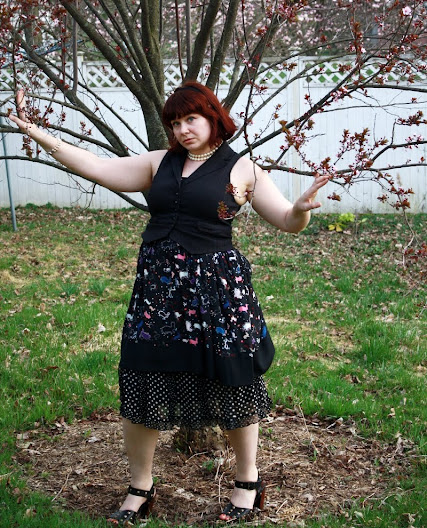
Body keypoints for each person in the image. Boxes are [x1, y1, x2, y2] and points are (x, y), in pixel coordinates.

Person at [9, 82, 329, 524]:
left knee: (232, 384)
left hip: (218, 297)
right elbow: (97, 168)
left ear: (213, 117)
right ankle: (140, 487)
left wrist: (302, 208)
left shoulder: (243, 170)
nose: (182, 129)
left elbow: (287, 221)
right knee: (142, 382)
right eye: (175, 123)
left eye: (190, 119)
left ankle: (248, 483)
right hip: (157, 295)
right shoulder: (159, 163)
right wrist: (40, 134)